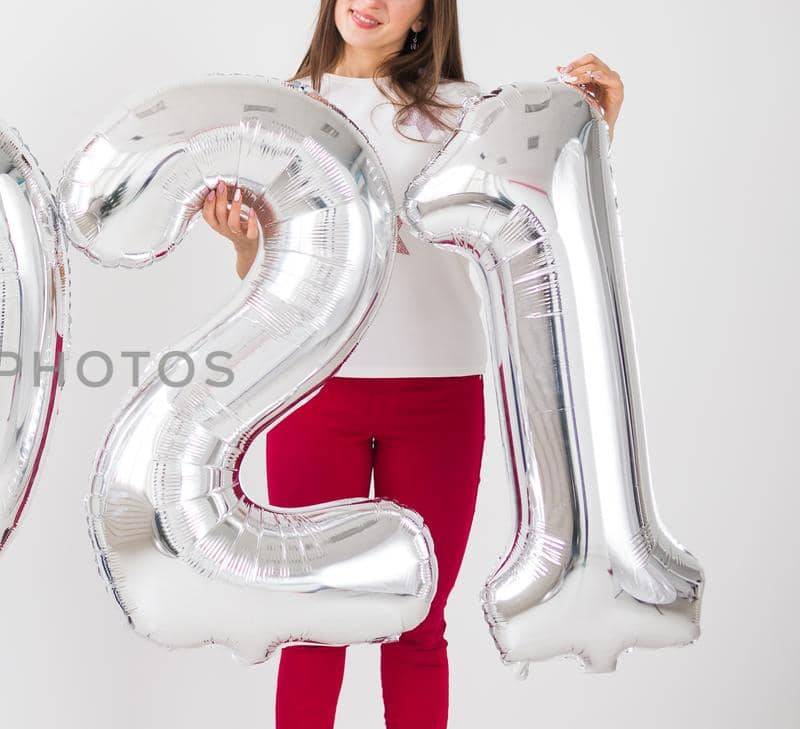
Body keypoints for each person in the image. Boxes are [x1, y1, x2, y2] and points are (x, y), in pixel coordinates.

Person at [198, 1, 624, 727]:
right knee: (314, 628)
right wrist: (242, 241)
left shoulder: (467, 112)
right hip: (313, 393)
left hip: (439, 393)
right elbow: (273, 267)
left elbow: (544, 213)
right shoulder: (283, 108)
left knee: (418, 625)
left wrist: (596, 127)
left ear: (427, 16)